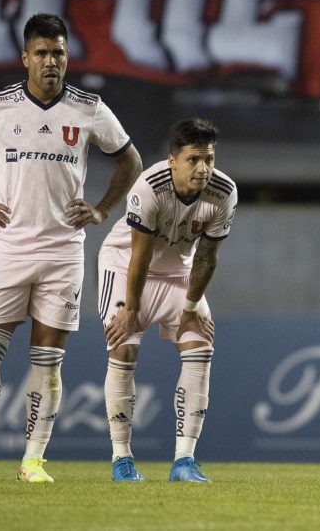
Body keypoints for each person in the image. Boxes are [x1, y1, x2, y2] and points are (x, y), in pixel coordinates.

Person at [0, 13, 142, 483]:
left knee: (47, 361)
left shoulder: (89, 108)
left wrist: (103, 208)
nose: (50, 61)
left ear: (67, 58)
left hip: (63, 253)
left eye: (58, 53)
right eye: (41, 53)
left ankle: (32, 461)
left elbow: (130, 159)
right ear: (25, 58)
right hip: (7, 250)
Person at [97, 118, 236, 483]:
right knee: (123, 350)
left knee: (200, 347)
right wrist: (130, 309)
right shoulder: (148, 187)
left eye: (209, 159)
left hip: (179, 273)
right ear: (173, 160)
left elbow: (207, 257)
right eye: (193, 159)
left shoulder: (224, 192)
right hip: (125, 266)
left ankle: (184, 461)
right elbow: (139, 256)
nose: (203, 169)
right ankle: (122, 459)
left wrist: (191, 308)